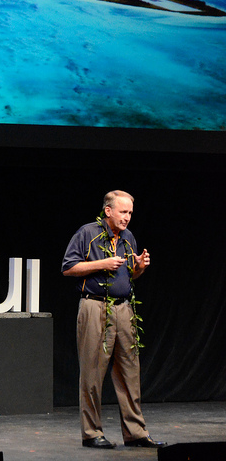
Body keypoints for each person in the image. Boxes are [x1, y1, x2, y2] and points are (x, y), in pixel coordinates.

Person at [61, 190, 167, 450]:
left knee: (130, 372)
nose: (127, 218)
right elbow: (68, 267)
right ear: (108, 211)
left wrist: (140, 266)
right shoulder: (87, 234)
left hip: (124, 310)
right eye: (123, 212)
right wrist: (102, 263)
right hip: (96, 308)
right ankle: (91, 432)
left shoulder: (128, 237)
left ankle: (135, 432)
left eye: (130, 213)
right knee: (93, 372)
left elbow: (130, 275)